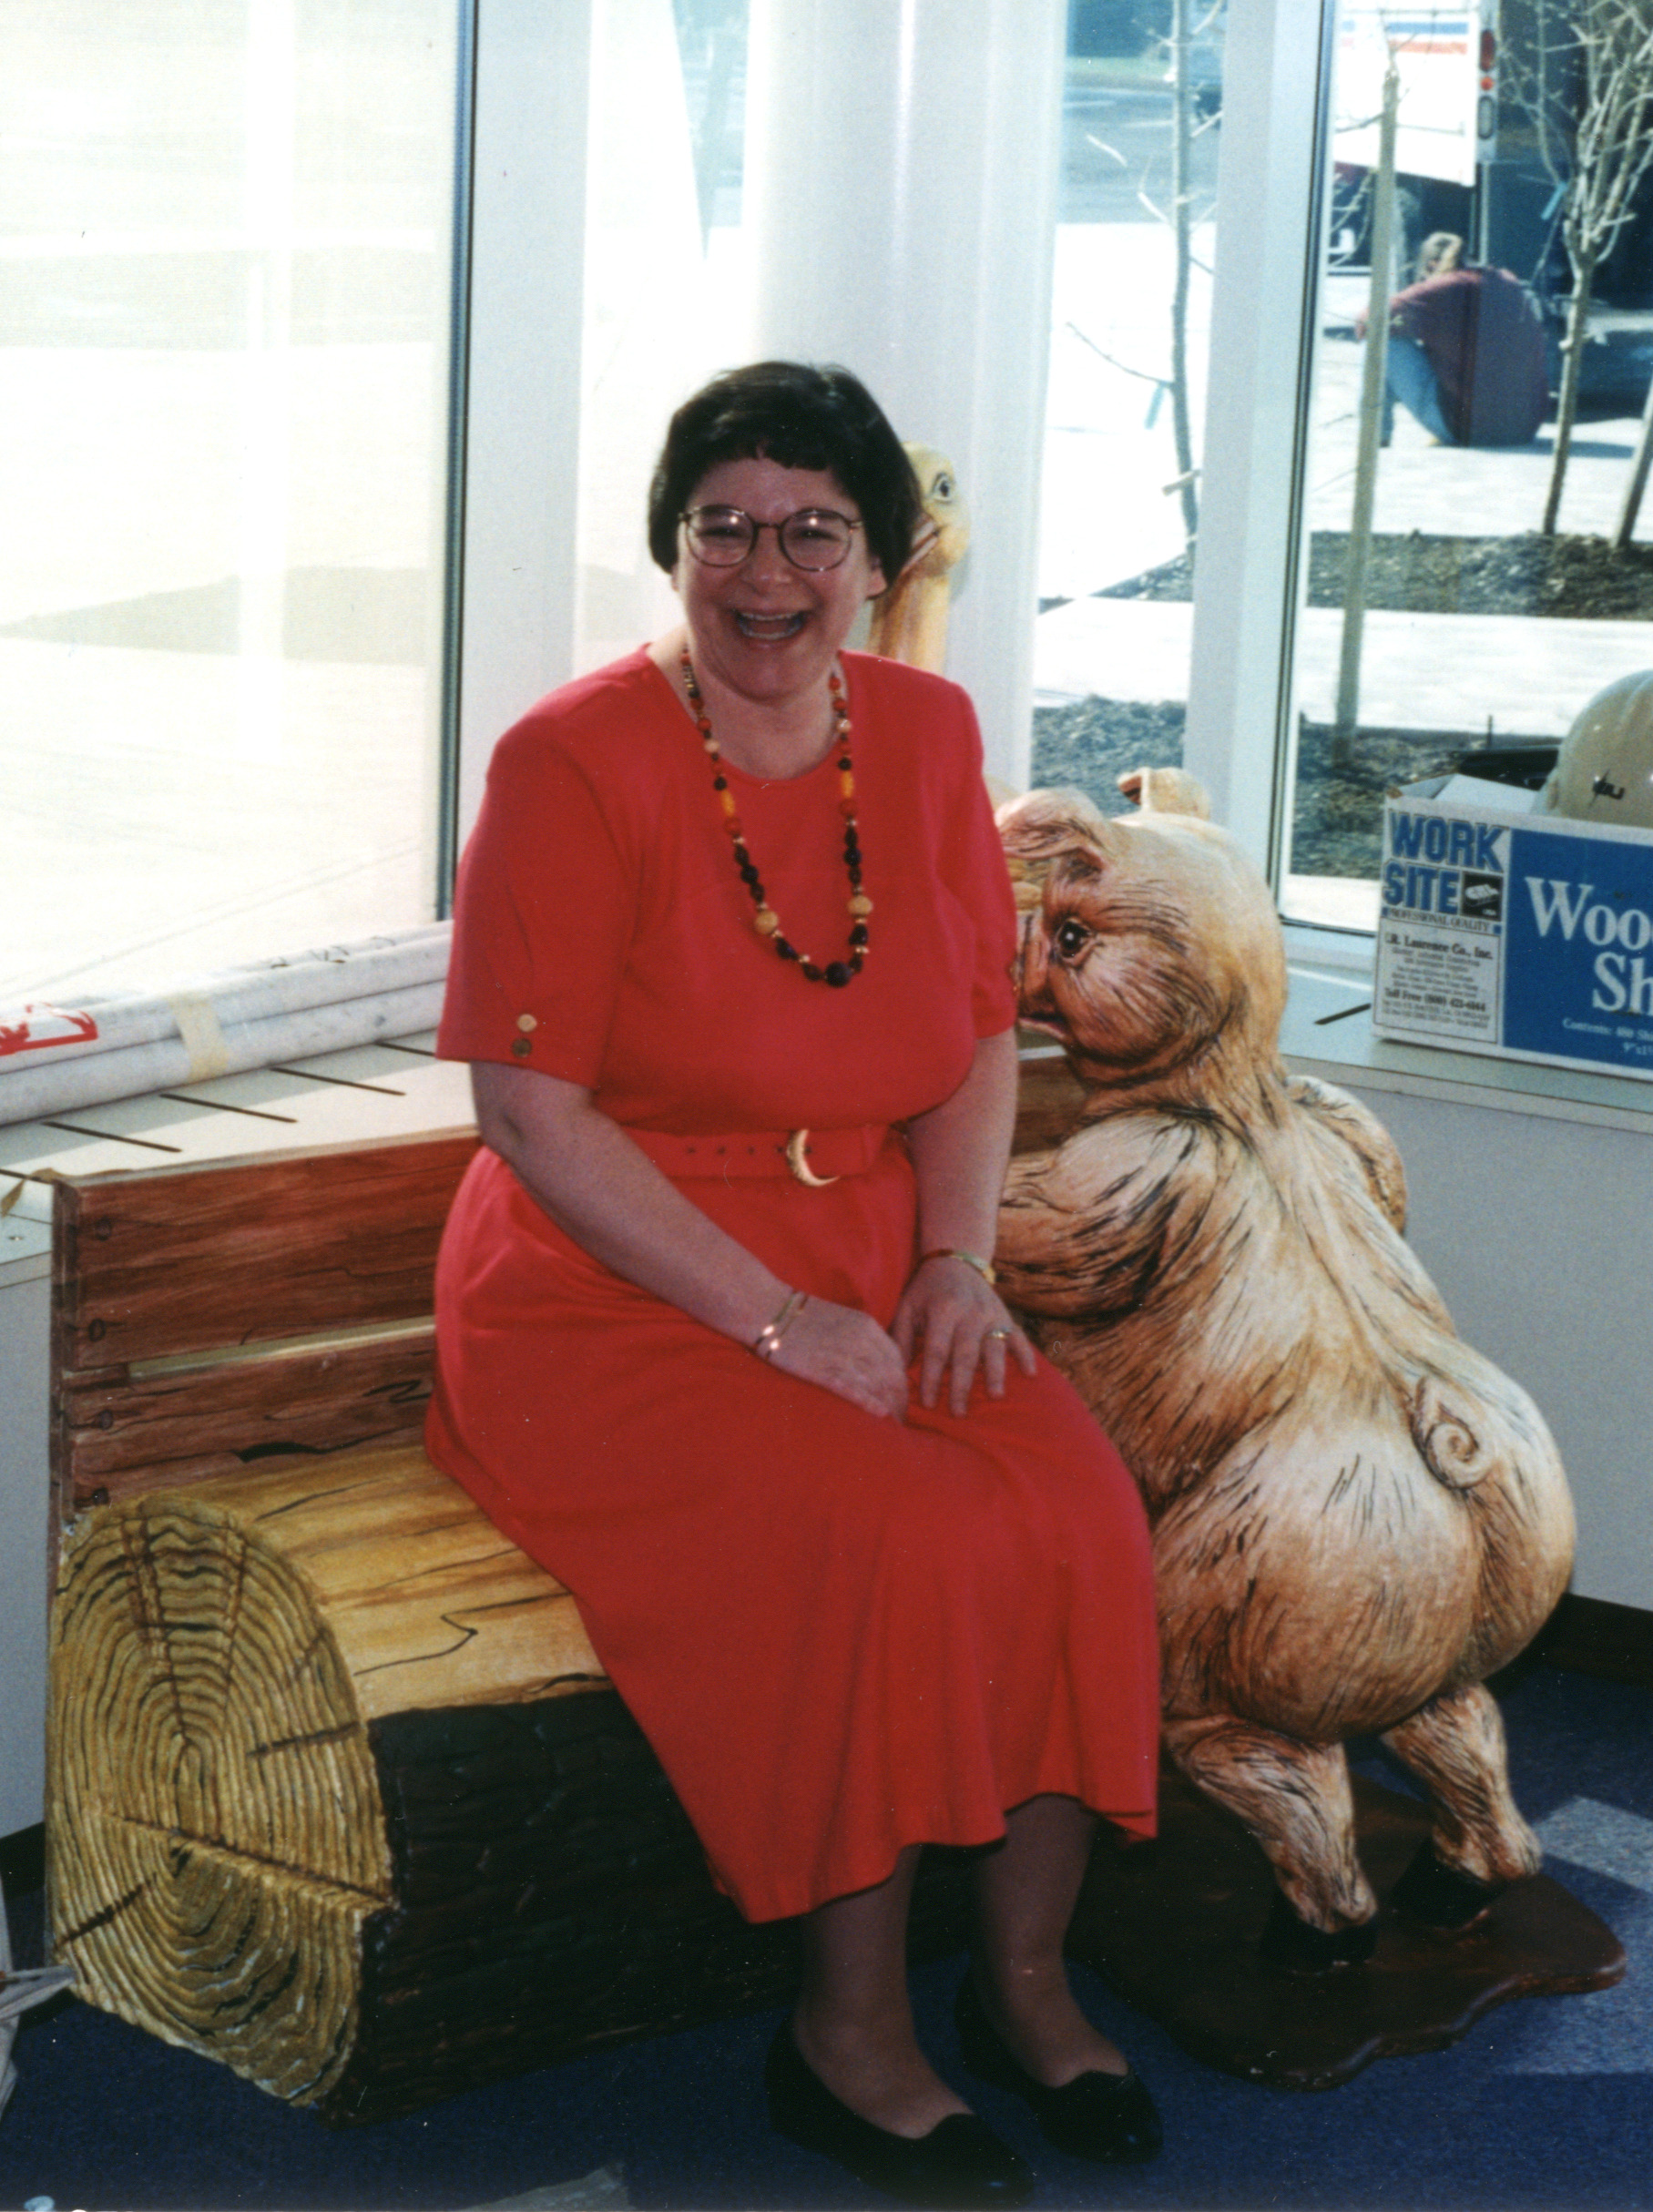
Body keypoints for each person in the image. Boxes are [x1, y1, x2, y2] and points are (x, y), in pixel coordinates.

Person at [426, 361, 1166, 2209]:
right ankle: (845, 2027)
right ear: (673, 545)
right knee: (894, 1535)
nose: (765, 574)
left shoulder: (922, 731)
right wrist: (772, 1317)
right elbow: (526, 1108)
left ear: (880, 556)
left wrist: (952, 1259)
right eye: (724, 529)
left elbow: (975, 1034)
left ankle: (1019, 1975)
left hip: (875, 1247)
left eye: (812, 531)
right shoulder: (568, 761)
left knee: (1078, 1513)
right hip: (612, 1283)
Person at [1362, 231, 1553, 450]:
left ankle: (1376, 438)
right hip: (1523, 428)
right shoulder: (1507, 282)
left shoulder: (1441, 287)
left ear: (1432, 265)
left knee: (1383, 341)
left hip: (1469, 430)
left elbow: (1368, 321)